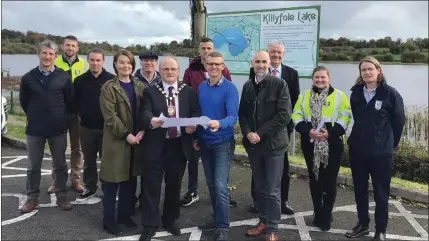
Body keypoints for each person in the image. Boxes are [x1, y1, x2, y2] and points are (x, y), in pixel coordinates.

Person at [138, 57, 200, 241]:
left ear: (179, 70)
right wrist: (151, 120)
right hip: (156, 145)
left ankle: (170, 220)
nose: (169, 72)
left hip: (178, 145)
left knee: (174, 187)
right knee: (151, 187)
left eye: (173, 69)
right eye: (166, 69)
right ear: (160, 70)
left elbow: (195, 112)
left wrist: (193, 126)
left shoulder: (188, 91)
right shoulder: (151, 91)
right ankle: (149, 225)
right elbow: (144, 113)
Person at [345, 57, 405, 241]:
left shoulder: (390, 94)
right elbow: (357, 119)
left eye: (370, 69)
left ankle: (381, 229)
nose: (367, 72)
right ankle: (363, 225)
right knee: (360, 191)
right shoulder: (355, 93)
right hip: (358, 152)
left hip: (381, 155)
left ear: (379, 71)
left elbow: (399, 122)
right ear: (360, 73)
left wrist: (388, 144)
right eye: (363, 70)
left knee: (381, 193)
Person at [238, 50, 292, 241]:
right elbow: (242, 114)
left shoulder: (280, 84)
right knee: (260, 187)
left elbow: (284, 115)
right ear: (252, 63)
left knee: (272, 189)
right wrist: (247, 133)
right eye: (257, 61)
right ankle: (263, 221)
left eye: (264, 61)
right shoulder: (247, 86)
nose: (260, 65)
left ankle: (273, 229)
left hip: (274, 146)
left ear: (270, 63)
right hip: (254, 146)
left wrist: (259, 133)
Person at [292, 66, 352, 231]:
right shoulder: (304, 96)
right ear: (312, 79)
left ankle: (326, 214)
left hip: (332, 144)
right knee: (315, 178)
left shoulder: (339, 96)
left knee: (329, 180)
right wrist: (308, 130)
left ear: (328, 78)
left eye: (323, 77)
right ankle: (318, 211)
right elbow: (296, 114)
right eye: (317, 77)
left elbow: (345, 116)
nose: (320, 80)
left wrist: (329, 133)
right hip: (310, 143)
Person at [19, 39, 73, 213]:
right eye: (44, 53)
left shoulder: (64, 76)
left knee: (60, 165)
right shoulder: (28, 78)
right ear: (38, 54)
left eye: (51, 54)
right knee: (33, 165)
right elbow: (24, 102)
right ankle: (32, 197)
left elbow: (69, 101)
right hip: (35, 129)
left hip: (57, 128)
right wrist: (36, 115)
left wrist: (59, 116)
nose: (47, 56)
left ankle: (62, 195)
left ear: (56, 56)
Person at [248, 40, 300, 215]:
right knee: (259, 169)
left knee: (282, 168)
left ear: (282, 55)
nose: (276, 55)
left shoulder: (291, 74)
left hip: (281, 131)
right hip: (259, 131)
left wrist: (288, 125)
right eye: (273, 52)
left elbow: (294, 102)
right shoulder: (254, 73)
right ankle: (257, 201)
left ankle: (282, 201)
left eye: (279, 52)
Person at [181, 37, 232, 207]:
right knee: (193, 160)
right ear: (200, 49)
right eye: (203, 48)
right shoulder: (191, 70)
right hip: (197, 122)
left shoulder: (223, 70)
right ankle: (193, 190)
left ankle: (223, 193)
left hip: (218, 128)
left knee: (219, 172)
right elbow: (185, 94)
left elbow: (228, 94)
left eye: (209, 48)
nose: (206, 51)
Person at [98, 49, 145, 235]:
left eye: (129, 63)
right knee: (113, 181)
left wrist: (142, 130)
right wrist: (127, 135)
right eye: (122, 62)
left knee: (130, 180)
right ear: (115, 65)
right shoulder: (108, 88)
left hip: (137, 139)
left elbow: (144, 111)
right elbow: (110, 118)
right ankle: (108, 220)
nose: (126, 66)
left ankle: (125, 215)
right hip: (117, 141)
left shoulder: (139, 86)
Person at [194, 52, 239, 241]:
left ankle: (222, 226)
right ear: (205, 65)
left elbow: (232, 117)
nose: (213, 67)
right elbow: (199, 114)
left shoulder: (230, 88)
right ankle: (217, 217)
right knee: (211, 183)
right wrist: (196, 136)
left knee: (220, 184)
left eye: (217, 64)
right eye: (210, 64)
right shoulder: (202, 87)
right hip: (205, 142)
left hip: (223, 142)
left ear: (223, 66)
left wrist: (219, 123)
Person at [73, 48, 115, 200]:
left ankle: (107, 189)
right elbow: (74, 104)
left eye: (98, 60)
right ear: (88, 61)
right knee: (89, 160)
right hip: (86, 128)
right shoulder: (79, 81)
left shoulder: (112, 80)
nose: (95, 63)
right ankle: (90, 187)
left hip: (107, 129)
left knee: (107, 161)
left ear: (103, 61)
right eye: (92, 60)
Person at [51, 35, 86, 194]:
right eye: (67, 45)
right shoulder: (55, 62)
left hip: (77, 113)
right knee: (58, 148)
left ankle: (75, 180)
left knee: (77, 149)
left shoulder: (83, 64)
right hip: (59, 112)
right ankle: (56, 181)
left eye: (73, 46)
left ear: (77, 48)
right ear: (62, 46)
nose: (70, 48)